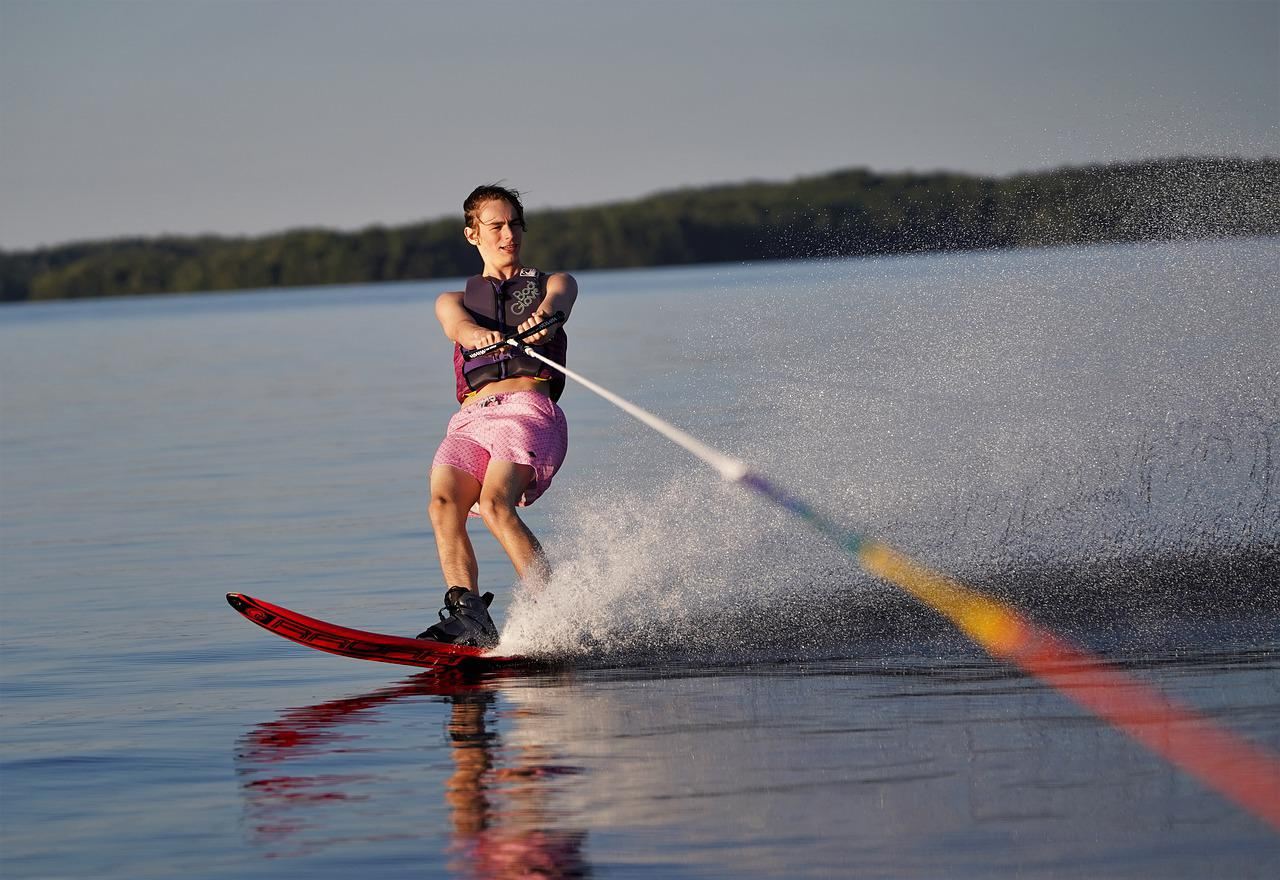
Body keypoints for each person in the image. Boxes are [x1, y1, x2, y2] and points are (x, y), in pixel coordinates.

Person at [419, 184, 577, 647]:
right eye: (496, 226)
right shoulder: (453, 300)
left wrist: (543, 318)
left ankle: (557, 613)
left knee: (493, 504)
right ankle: (470, 617)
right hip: (473, 419)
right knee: (443, 503)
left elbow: (559, 304)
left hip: (528, 411)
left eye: (514, 224)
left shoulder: (555, 283)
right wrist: (476, 336)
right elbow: (458, 327)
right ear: (473, 235)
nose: (508, 234)